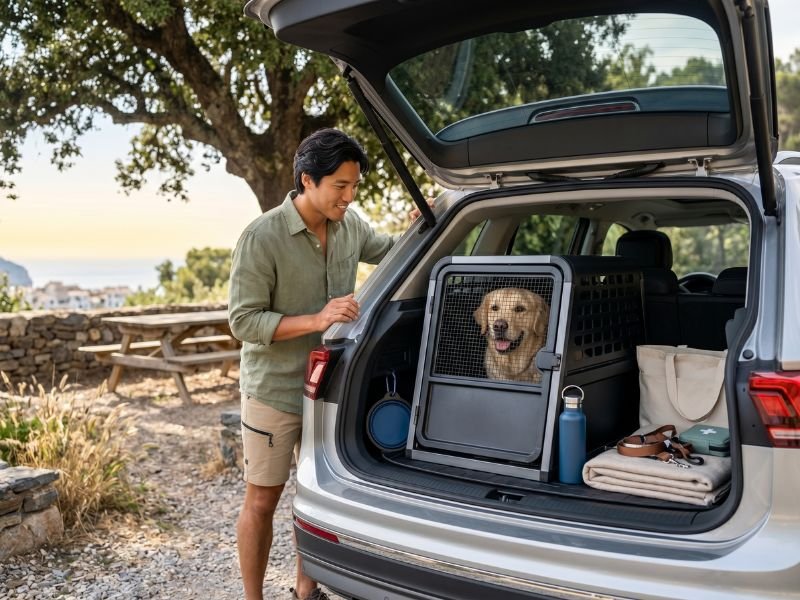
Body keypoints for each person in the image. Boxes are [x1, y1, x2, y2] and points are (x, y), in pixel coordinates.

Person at [228, 128, 427, 600]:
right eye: (340, 185)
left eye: (354, 185)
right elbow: (243, 320)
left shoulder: (350, 226)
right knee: (262, 499)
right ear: (307, 181)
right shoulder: (262, 236)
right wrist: (316, 319)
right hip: (274, 391)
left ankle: (305, 591)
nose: (350, 195)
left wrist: (421, 224)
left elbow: (390, 250)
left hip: (331, 392)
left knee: (315, 499)